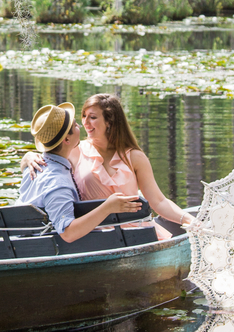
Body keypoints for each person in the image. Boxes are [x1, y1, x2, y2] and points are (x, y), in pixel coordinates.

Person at [21, 93, 196, 239]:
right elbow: (51, 160)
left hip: (139, 235)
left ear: (109, 122)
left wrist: (190, 220)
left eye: (93, 117)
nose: (85, 123)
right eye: (83, 116)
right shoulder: (75, 150)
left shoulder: (134, 157)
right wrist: (28, 157)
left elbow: (159, 201)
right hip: (96, 237)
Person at [16, 101, 142, 242]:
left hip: (22, 243)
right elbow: (68, 233)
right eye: (75, 125)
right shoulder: (58, 184)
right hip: (40, 249)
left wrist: (27, 157)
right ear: (67, 139)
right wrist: (107, 207)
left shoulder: (33, 166)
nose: (80, 126)